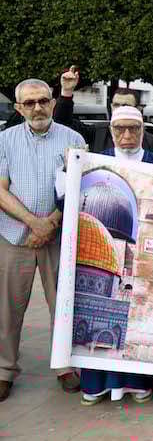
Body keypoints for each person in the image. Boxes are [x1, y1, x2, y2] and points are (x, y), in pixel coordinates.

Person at [79, 106, 153, 406]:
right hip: (102, 278)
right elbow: (64, 197)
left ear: (142, 131)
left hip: (141, 261)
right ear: (111, 131)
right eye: (120, 128)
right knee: (93, 333)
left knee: (138, 326)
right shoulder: (97, 163)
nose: (127, 135)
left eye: (133, 128)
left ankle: (137, 384)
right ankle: (96, 385)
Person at [0, 78, 86, 402]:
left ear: (52, 103)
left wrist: (50, 224)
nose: (37, 108)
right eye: (29, 103)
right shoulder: (4, 140)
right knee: (7, 309)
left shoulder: (73, 139)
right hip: (13, 237)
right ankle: (4, 371)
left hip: (59, 237)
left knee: (63, 305)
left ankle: (64, 366)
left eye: (43, 101)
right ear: (19, 108)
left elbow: (79, 186)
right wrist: (33, 223)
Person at [54, 67, 153, 156]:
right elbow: (63, 123)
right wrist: (67, 92)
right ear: (111, 107)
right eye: (116, 105)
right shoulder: (97, 133)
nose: (120, 109)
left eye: (126, 105)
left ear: (139, 109)